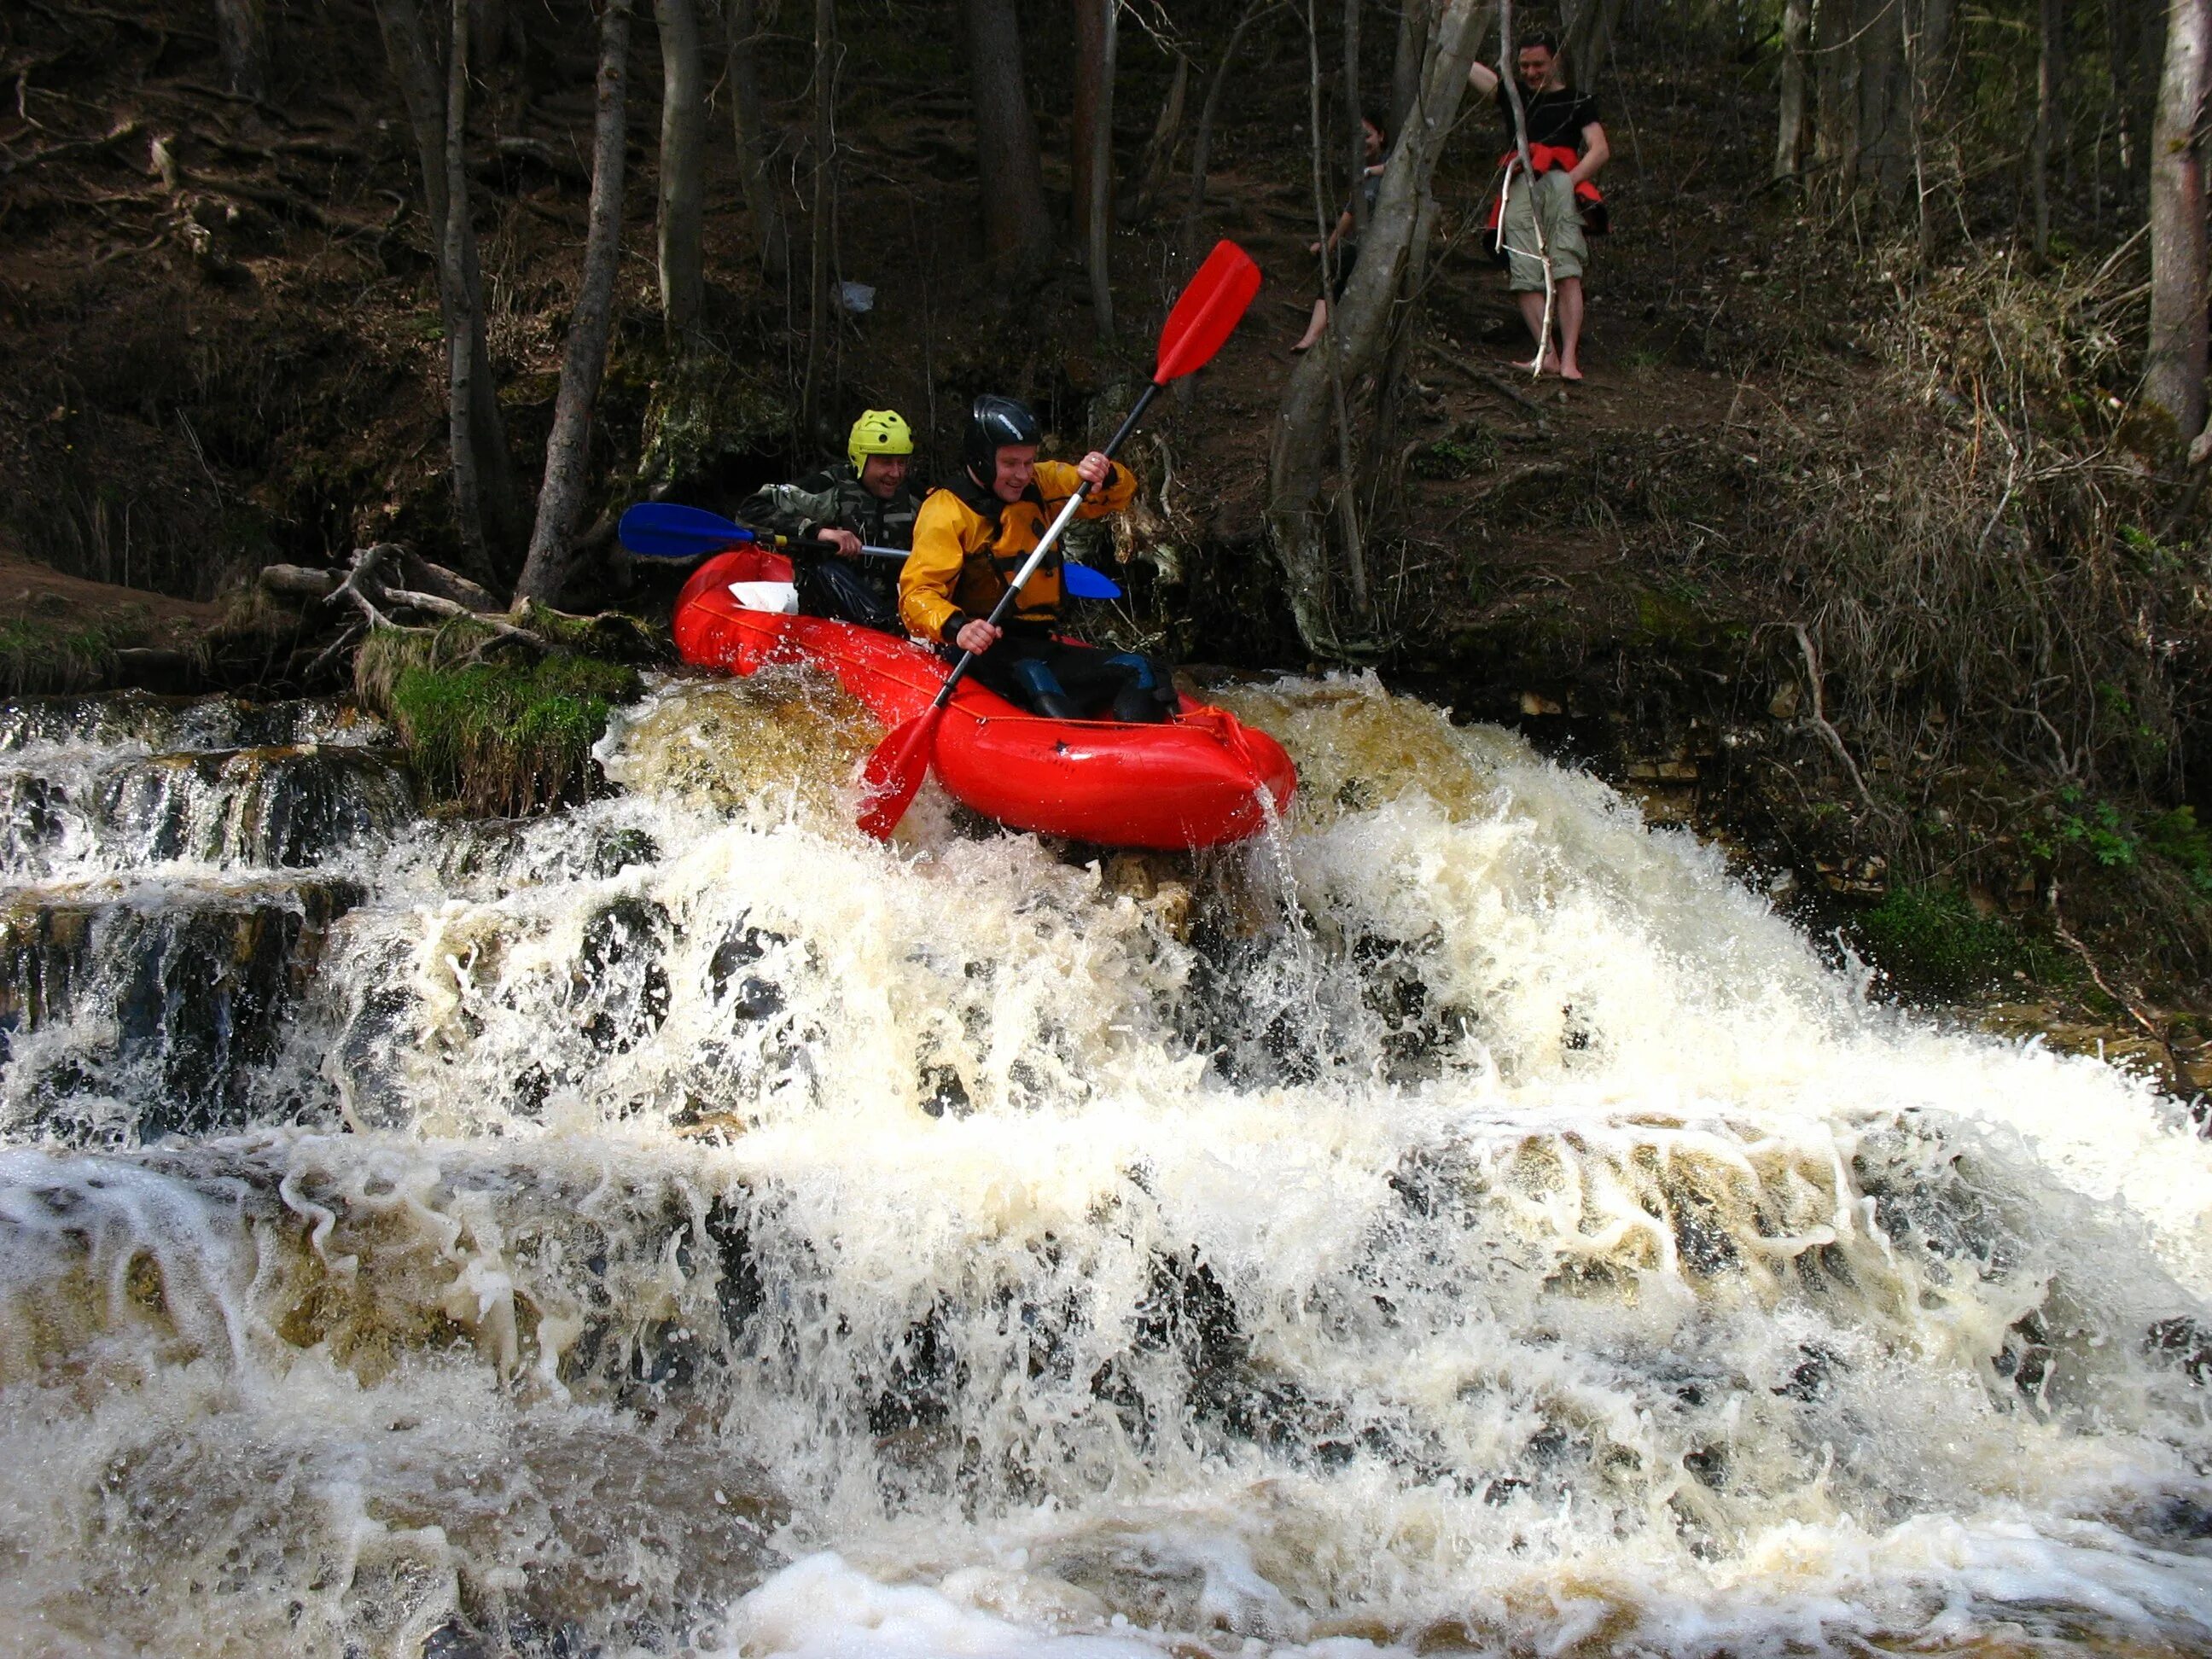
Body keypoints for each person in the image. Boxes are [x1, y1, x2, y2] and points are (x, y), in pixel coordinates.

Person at [899, 396, 1176, 724]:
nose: (1022, 474)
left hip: (1039, 644)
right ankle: (1076, 757)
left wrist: (1106, 473)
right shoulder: (945, 511)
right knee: (1034, 675)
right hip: (980, 652)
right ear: (983, 459)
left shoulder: (1041, 483)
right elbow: (916, 596)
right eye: (1011, 463)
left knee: (1140, 669)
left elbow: (1117, 496)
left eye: (1029, 462)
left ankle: (1147, 751)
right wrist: (957, 627)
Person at [1468, 32, 1610, 380]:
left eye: (1539, 65)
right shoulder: (1516, 97)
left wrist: (1567, 182)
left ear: (1556, 59)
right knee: (1525, 272)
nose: (1531, 72)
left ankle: (1569, 360)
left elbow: (1600, 149)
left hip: (1560, 184)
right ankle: (1546, 354)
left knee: (1567, 271)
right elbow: (1471, 71)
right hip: (1519, 186)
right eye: (1525, 65)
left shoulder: (1579, 101)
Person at [733, 408, 921, 631]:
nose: (896, 473)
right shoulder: (825, 490)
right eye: (886, 462)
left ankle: (891, 627)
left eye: (902, 462)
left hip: (888, 607)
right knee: (826, 568)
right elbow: (750, 511)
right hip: (829, 610)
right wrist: (818, 532)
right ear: (861, 458)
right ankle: (884, 626)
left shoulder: (914, 497)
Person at [1292, 115, 1387, 354]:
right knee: (1338, 269)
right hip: (1361, 245)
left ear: (1381, 136)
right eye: (1359, 138)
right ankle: (1312, 336)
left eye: (1368, 136)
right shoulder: (1361, 174)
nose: (1364, 142)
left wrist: (1374, 170)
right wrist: (1328, 246)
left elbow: (1407, 165)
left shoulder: (1390, 164)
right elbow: (1350, 213)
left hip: (1385, 247)